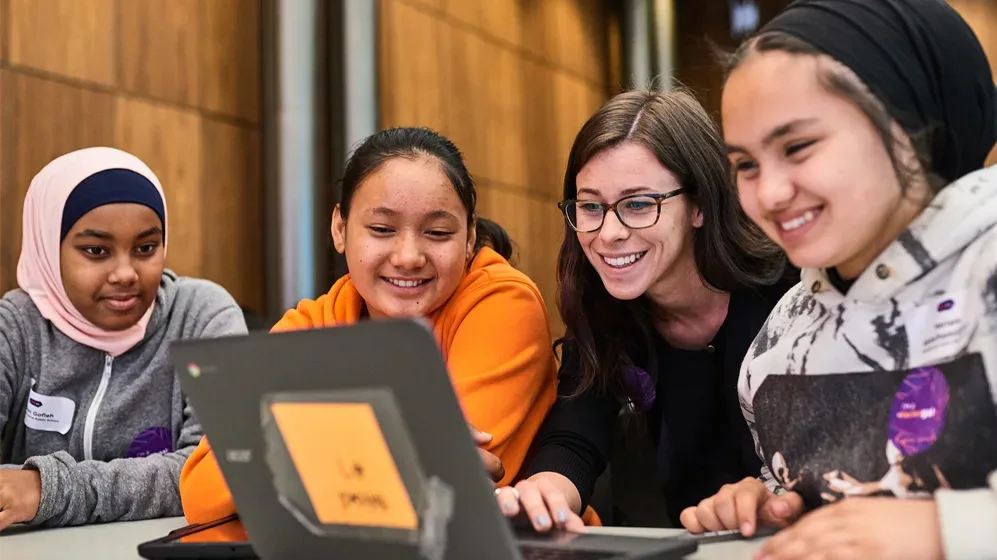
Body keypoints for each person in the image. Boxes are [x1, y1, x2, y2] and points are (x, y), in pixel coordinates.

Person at [680, 1, 997, 558]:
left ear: (909, 122)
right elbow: (817, 501)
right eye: (746, 165)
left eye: (798, 147)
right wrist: (774, 505)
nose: (771, 193)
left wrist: (944, 532)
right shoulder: (779, 338)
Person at [180, 127, 559, 540]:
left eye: (437, 233)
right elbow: (201, 489)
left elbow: (450, 484)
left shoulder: (504, 302)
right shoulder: (312, 324)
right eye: (381, 229)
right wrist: (401, 444)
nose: (409, 257)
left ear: (469, 239)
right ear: (340, 230)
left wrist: (292, 449)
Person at [493, 88, 794, 532]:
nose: (609, 232)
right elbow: (576, 434)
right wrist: (543, 492)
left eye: (637, 204)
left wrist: (774, 497)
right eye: (591, 206)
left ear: (699, 206)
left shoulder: (792, 291)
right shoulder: (606, 307)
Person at [0, 147, 248, 531]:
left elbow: (219, 472)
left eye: (145, 248)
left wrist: (44, 489)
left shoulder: (201, 316)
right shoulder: (15, 327)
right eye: (96, 251)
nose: (125, 273)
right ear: (48, 249)